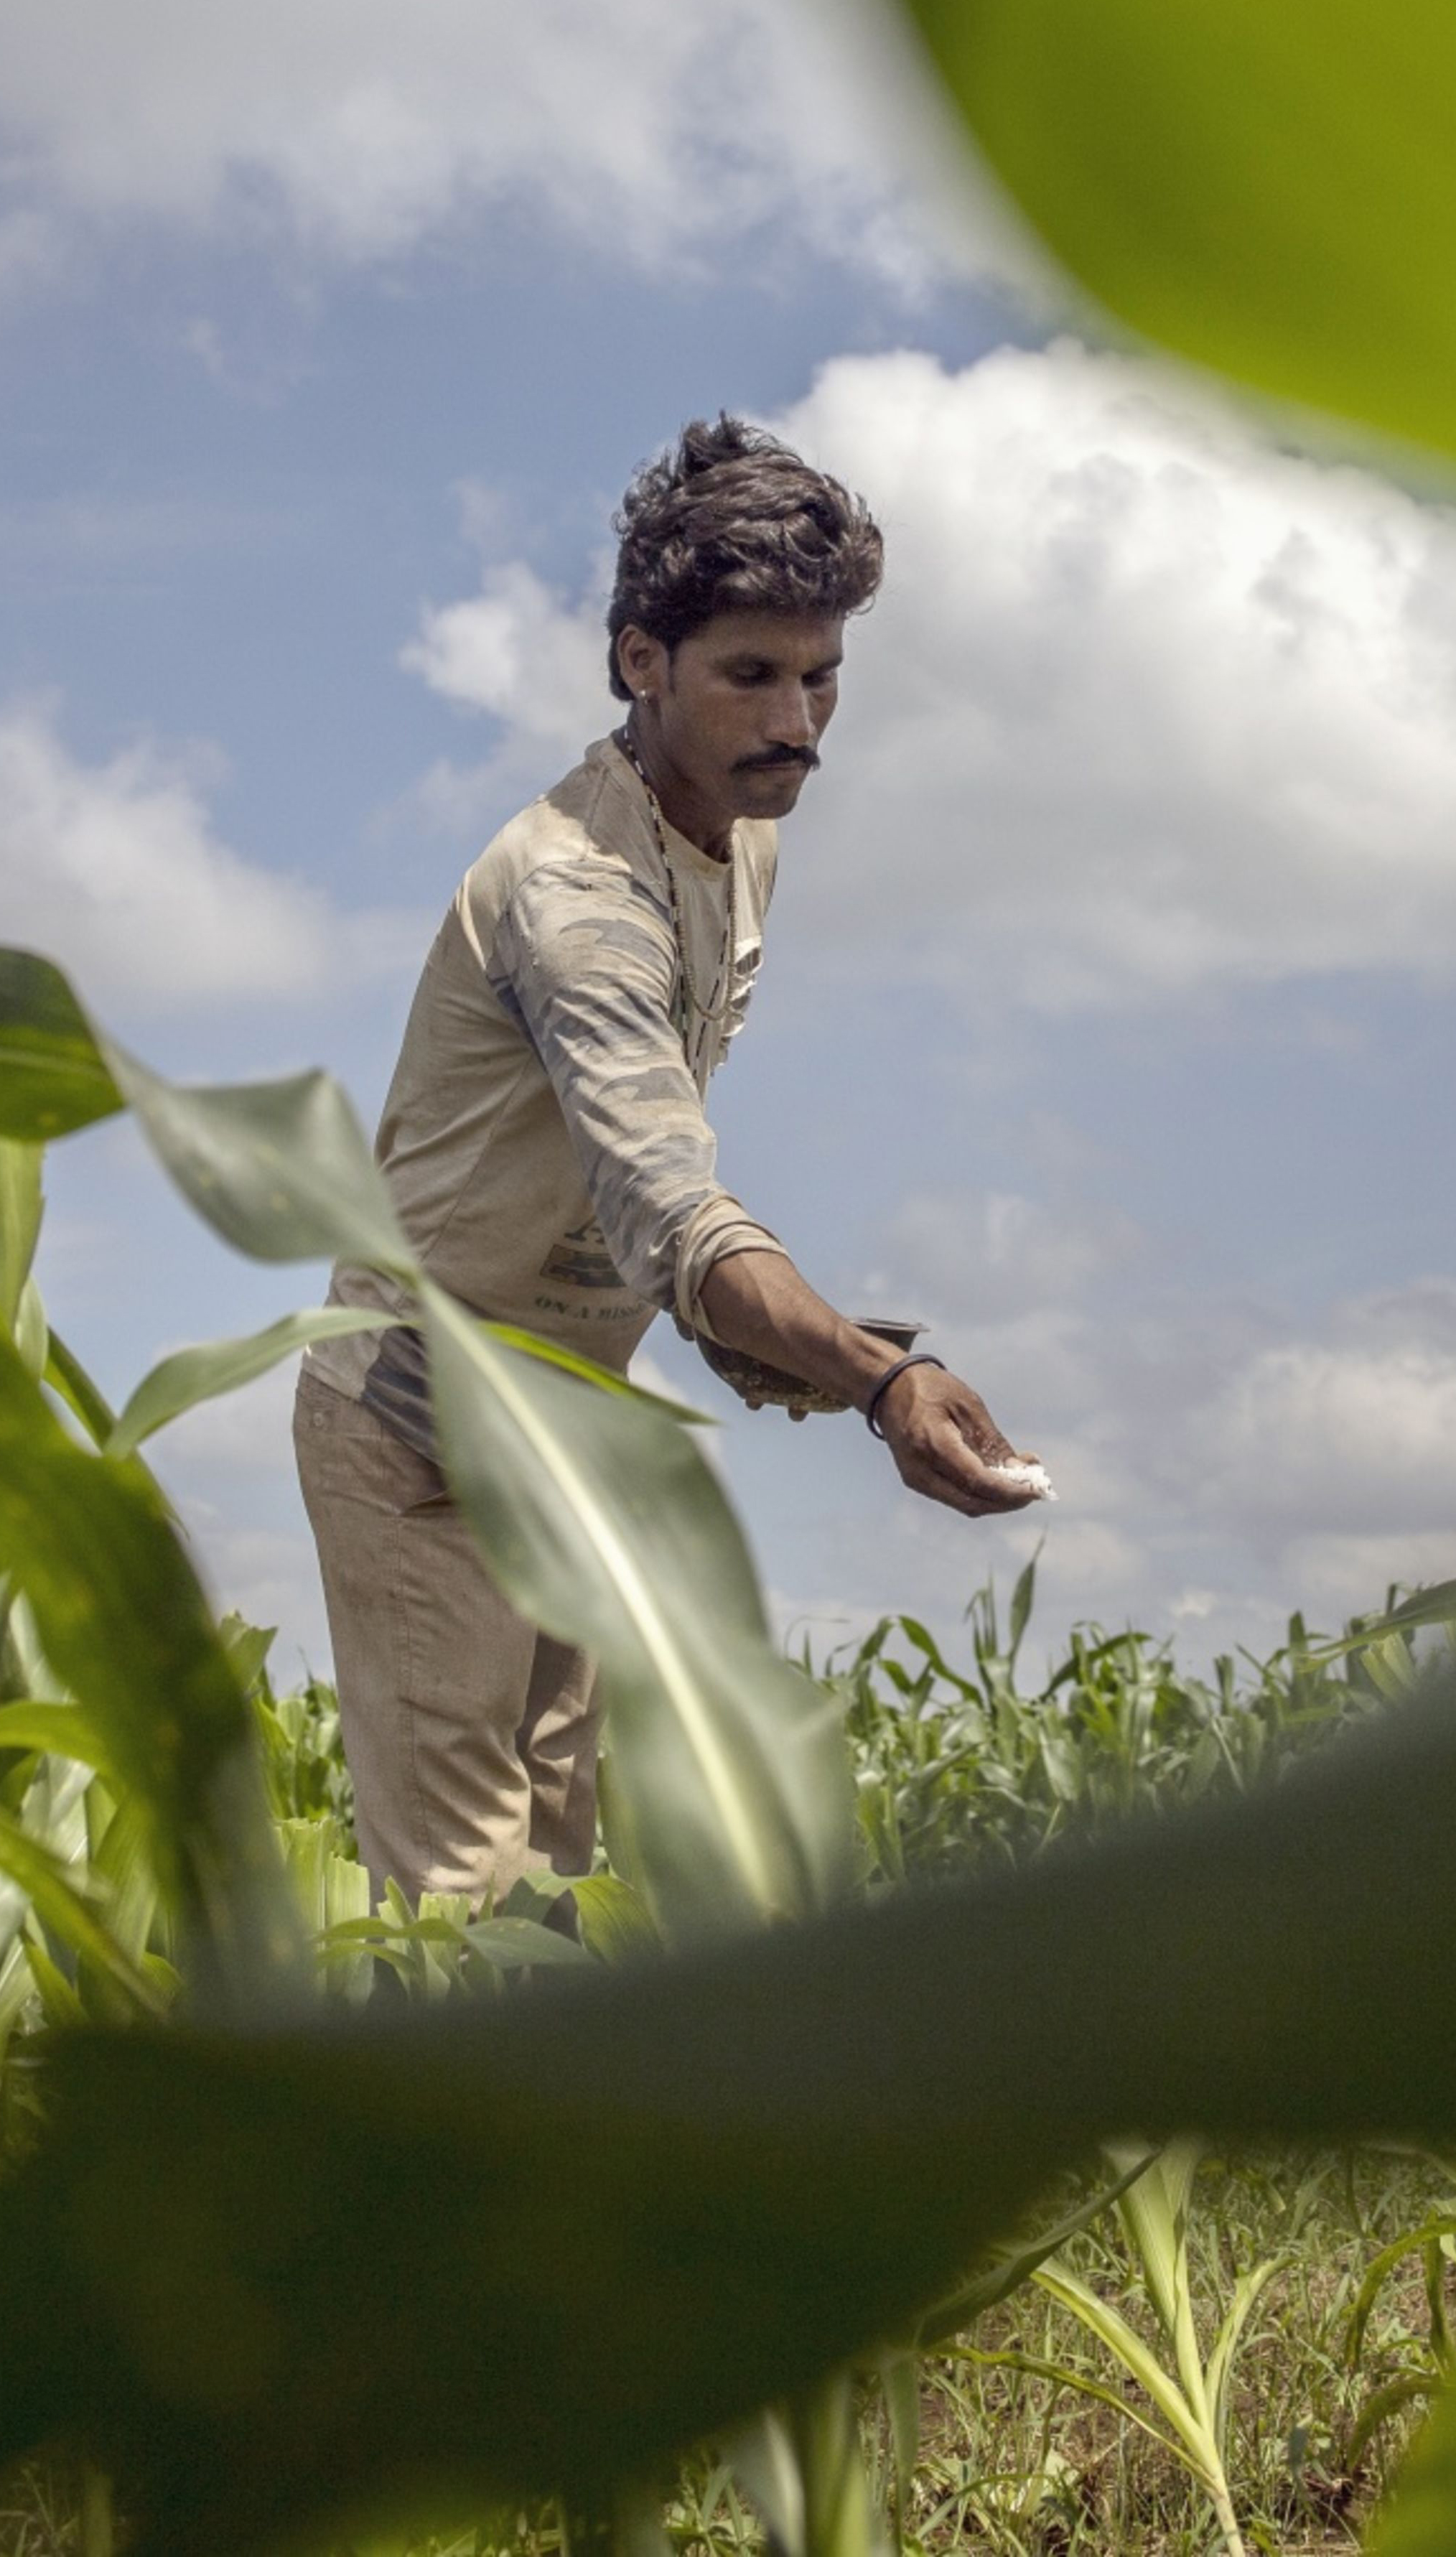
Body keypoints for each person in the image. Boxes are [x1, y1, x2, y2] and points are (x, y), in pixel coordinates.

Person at [293, 414, 1044, 1902]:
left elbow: (645, 1177)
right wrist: (878, 1378)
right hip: (421, 1423)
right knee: (466, 1905)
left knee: (557, 1863)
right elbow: (668, 1203)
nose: (799, 722)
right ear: (642, 661)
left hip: (570, 1420)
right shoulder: (576, 902)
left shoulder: (738, 824)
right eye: (750, 677)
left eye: (822, 676)